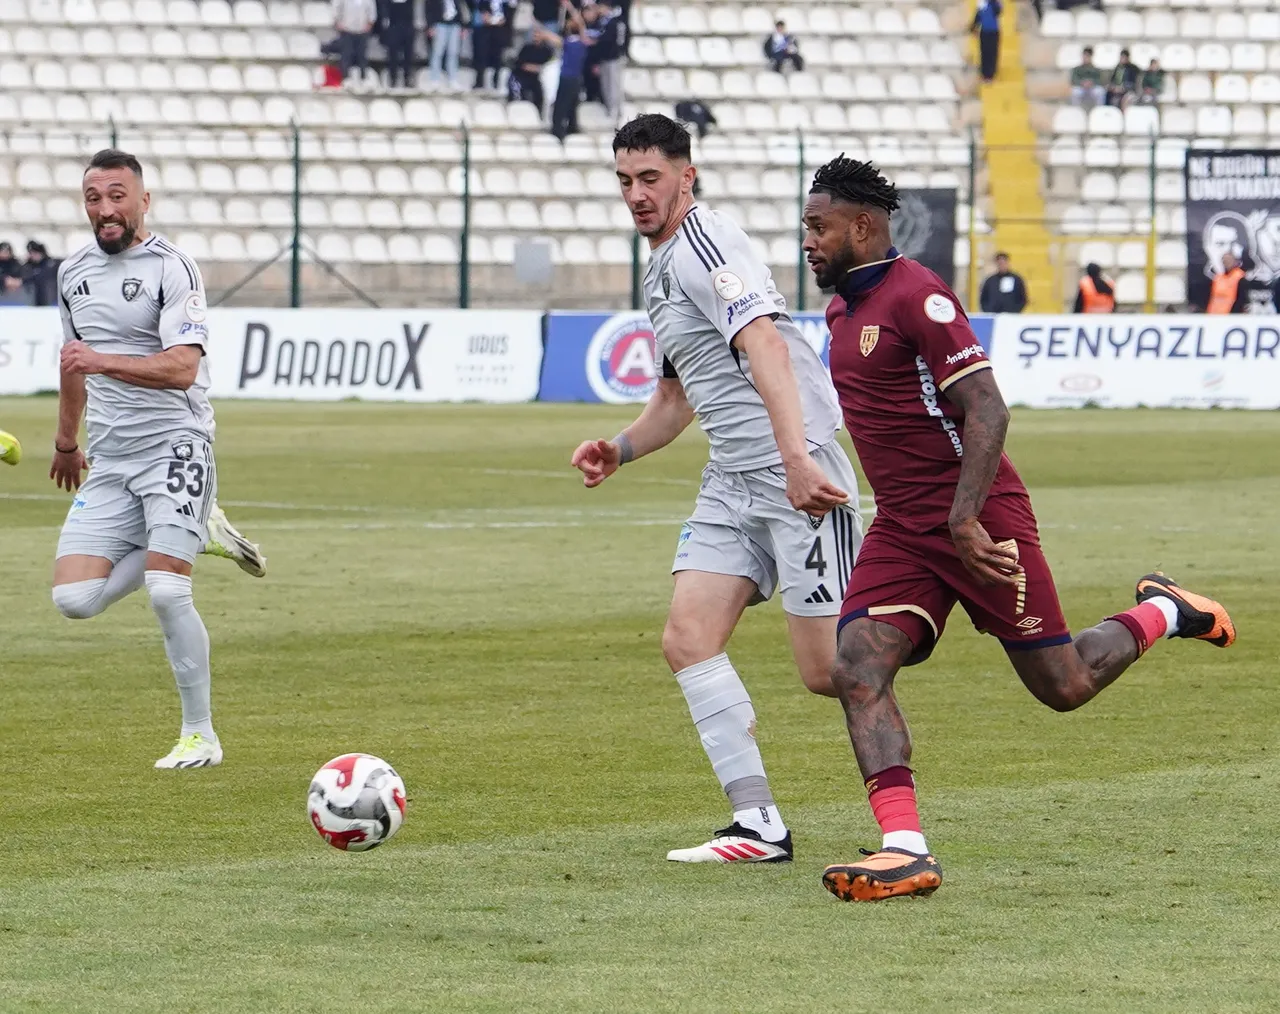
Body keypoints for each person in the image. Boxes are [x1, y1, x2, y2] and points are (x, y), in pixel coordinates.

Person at [800, 155, 1236, 902]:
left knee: (1063, 686)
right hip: (904, 530)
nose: (807, 240)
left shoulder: (919, 298)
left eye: (819, 225)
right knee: (856, 667)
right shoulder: (842, 309)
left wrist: (966, 517)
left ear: (863, 226)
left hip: (981, 520)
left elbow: (989, 409)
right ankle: (905, 849)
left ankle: (1166, 608)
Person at [571, 115, 862, 864]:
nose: (637, 195)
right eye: (625, 182)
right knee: (687, 638)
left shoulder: (707, 244)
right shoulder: (660, 263)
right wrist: (620, 449)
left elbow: (762, 340)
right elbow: (676, 400)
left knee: (829, 673)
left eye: (650, 179)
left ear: (685, 176)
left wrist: (797, 459)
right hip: (730, 479)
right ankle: (758, 825)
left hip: (794, 475)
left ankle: (940, 593)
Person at [50, 149, 269, 769]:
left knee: (167, 593)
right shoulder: (73, 273)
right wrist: (68, 442)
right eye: (94, 197)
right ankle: (202, 529)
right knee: (74, 600)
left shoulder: (173, 268)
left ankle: (200, 734)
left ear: (144, 200)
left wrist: (100, 360)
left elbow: (182, 368)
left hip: (176, 443)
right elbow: (72, 365)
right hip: (113, 459)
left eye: (118, 196)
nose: (105, 209)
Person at [551, 8, 591, 139]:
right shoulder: (582, 43)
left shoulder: (572, 43)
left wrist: (570, 7)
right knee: (572, 105)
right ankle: (572, 129)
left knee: (561, 106)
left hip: (567, 78)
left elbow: (580, 25)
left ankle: (558, 132)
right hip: (576, 79)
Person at [507, 25, 556, 111]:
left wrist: (538, 68)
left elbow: (548, 66)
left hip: (537, 78)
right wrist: (531, 67)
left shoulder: (547, 51)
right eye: (534, 35)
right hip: (521, 76)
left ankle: (538, 115)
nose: (536, 37)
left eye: (538, 35)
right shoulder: (527, 48)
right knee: (517, 89)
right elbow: (520, 64)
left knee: (540, 95)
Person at [333, 0, 377, 84]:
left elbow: (372, 12)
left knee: (362, 56)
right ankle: (345, 79)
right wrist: (338, 23)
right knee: (346, 55)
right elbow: (336, 8)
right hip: (347, 30)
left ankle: (363, 79)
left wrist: (369, 24)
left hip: (362, 31)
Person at [426, 0, 467, 89]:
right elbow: (428, 9)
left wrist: (463, 26)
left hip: (454, 25)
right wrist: (430, 26)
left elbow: (459, 9)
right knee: (437, 52)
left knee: (453, 53)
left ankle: (453, 79)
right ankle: (434, 79)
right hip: (440, 24)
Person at [379, 0, 418, 89]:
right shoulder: (387, 3)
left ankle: (407, 78)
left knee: (408, 55)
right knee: (393, 54)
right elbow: (384, 13)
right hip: (393, 27)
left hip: (408, 27)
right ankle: (393, 78)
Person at [470, 0, 506, 92]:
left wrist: (504, 20)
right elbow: (480, 6)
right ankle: (480, 82)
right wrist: (485, 15)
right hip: (484, 28)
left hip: (499, 28)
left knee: (497, 56)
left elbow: (509, 9)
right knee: (481, 55)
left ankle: (496, 82)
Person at [972, 0, 1001, 83]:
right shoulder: (981, 2)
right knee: (984, 52)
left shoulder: (995, 2)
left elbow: (998, 12)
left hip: (994, 31)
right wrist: (974, 27)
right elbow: (978, 15)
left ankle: (991, 75)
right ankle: (984, 74)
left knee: (992, 53)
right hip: (984, 31)